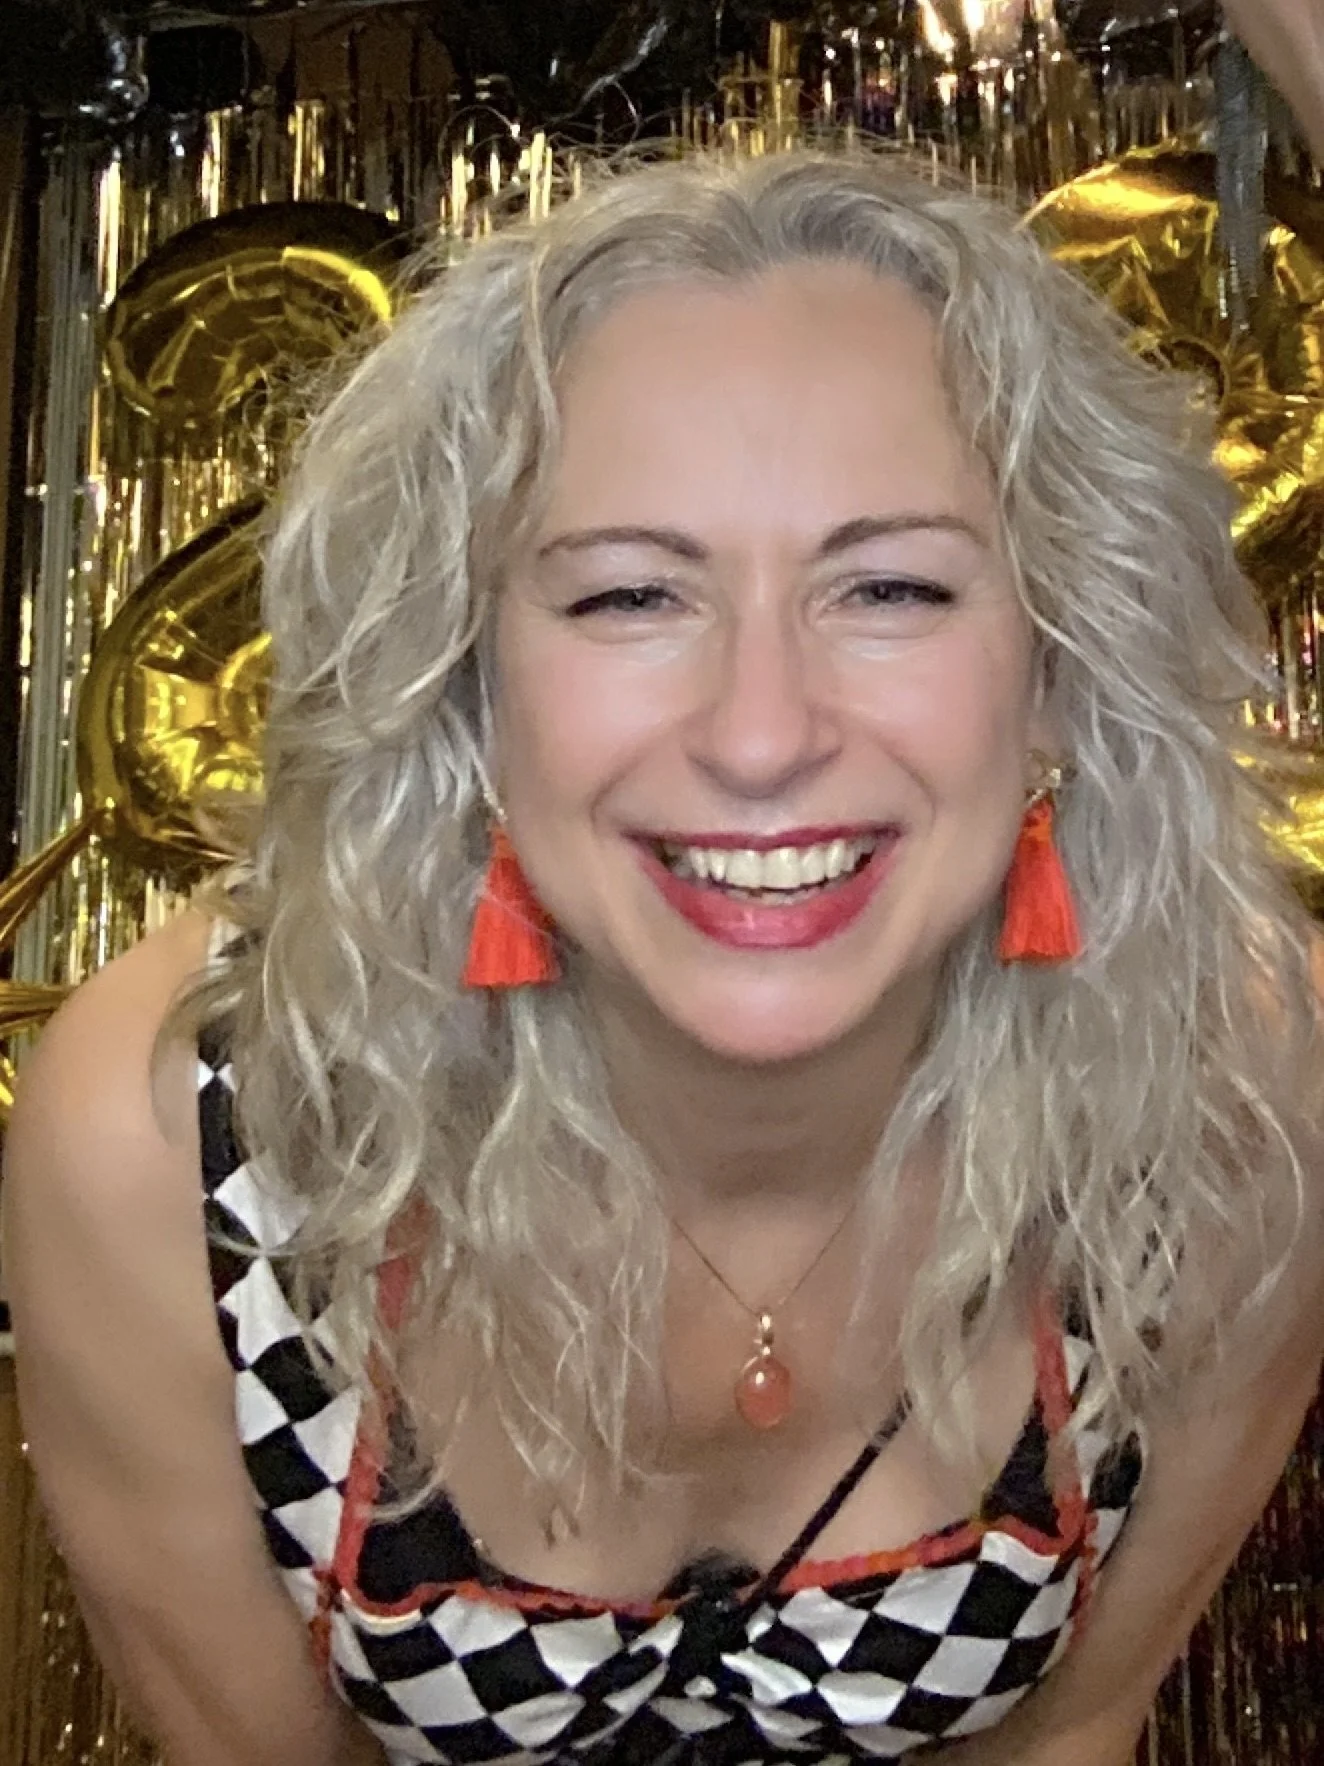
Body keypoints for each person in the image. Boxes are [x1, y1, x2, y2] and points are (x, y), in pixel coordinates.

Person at [6, 126, 1324, 1766]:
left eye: (893, 589)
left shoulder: (1242, 1088)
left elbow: (1072, 1726)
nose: (761, 734)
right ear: (468, 684)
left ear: (1057, 663)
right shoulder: (174, 1146)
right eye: (631, 597)